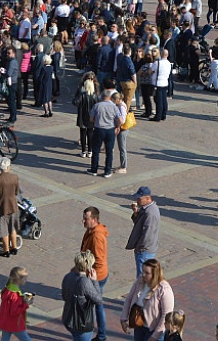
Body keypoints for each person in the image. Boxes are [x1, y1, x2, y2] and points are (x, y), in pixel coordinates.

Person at [120, 258, 174, 341]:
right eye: (143, 271)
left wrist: (155, 336)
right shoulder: (140, 281)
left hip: (153, 329)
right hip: (138, 324)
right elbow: (128, 299)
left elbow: (166, 315)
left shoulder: (164, 289)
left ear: (155, 274)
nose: (143, 275)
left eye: (147, 273)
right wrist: (123, 319)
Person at [80, 207, 110, 341]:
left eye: (86, 219)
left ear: (94, 219)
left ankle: (101, 335)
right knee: (97, 305)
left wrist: (91, 277)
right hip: (95, 274)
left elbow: (98, 259)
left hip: (97, 276)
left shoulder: (97, 236)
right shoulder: (91, 230)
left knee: (97, 306)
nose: (83, 221)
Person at [61, 251, 104, 341]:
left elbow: (64, 297)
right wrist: (94, 281)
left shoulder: (68, 276)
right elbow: (99, 300)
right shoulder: (85, 282)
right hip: (81, 323)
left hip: (68, 318)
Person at [125, 186, 161, 277]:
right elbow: (139, 224)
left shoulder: (150, 213)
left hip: (144, 251)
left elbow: (148, 234)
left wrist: (139, 247)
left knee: (143, 278)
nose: (137, 200)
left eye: (139, 198)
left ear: (147, 198)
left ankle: (143, 291)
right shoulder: (146, 209)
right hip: (144, 249)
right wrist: (136, 213)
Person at [0, 156, 22, 257]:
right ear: (8, 167)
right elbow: (16, 191)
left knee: (3, 230)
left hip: (1, 208)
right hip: (13, 206)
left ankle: (6, 250)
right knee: (12, 227)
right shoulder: (14, 177)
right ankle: (14, 247)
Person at [89, 89, 124, 178]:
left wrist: (97, 121)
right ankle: (107, 171)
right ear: (109, 97)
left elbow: (91, 119)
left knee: (96, 150)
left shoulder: (97, 106)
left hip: (99, 129)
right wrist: (117, 126)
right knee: (109, 151)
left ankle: (94, 169)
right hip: (110, 130)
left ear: (102, 96)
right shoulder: (114, 107)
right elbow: (120, 120)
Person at [0, 266, 33, 341]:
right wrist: (26, 304)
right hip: (15, 323)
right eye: (25, 278)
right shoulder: (15, 295)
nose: (26, 280)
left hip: (5, 321)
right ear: (19, 279)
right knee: (26, 339)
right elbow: (14, 312)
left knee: (5, 338)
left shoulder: (7, 289)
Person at [73, 74, 99, 155]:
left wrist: (79, 94)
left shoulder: (82, 94)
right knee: (90, 133)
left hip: (82, 115)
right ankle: (90, 151)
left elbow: (75, 102)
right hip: (91, 116)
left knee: (83, 133)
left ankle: (83, 151)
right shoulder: (94, 96)